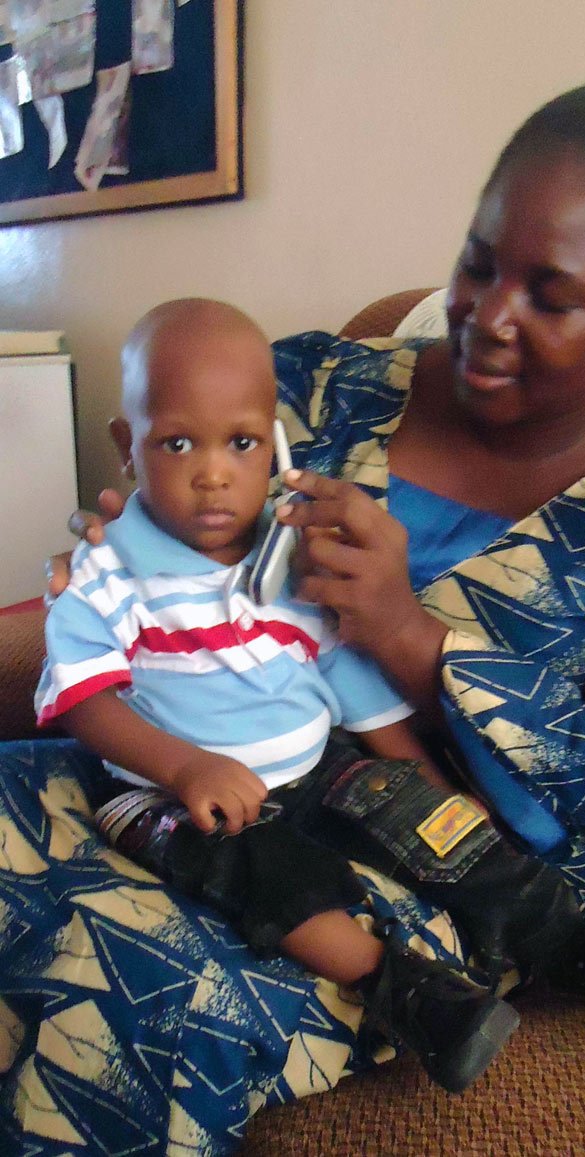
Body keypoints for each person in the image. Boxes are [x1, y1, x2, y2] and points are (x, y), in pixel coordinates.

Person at [2, 78, 585, 1153]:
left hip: (446, 852)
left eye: (550, 296)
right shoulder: (325, 385)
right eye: (477, 261)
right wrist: (134, 543)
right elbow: (159, 490)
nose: (487, 315)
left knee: (129, 985)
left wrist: (409, 638)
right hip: (206, 746)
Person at [34, 296, 521, 1094]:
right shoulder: (106, 567)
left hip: (312, 764)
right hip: (159, 791)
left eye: (243, 443)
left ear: (277, 445)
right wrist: (187, 767)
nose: (215, 472)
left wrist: (433, 787)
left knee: (427, 819)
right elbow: (81, 699)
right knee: (267, 870)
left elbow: (351, 682)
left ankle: (570, 941)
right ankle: (407, 992)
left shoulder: (293, 556)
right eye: (178, 442)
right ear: (128, 446)